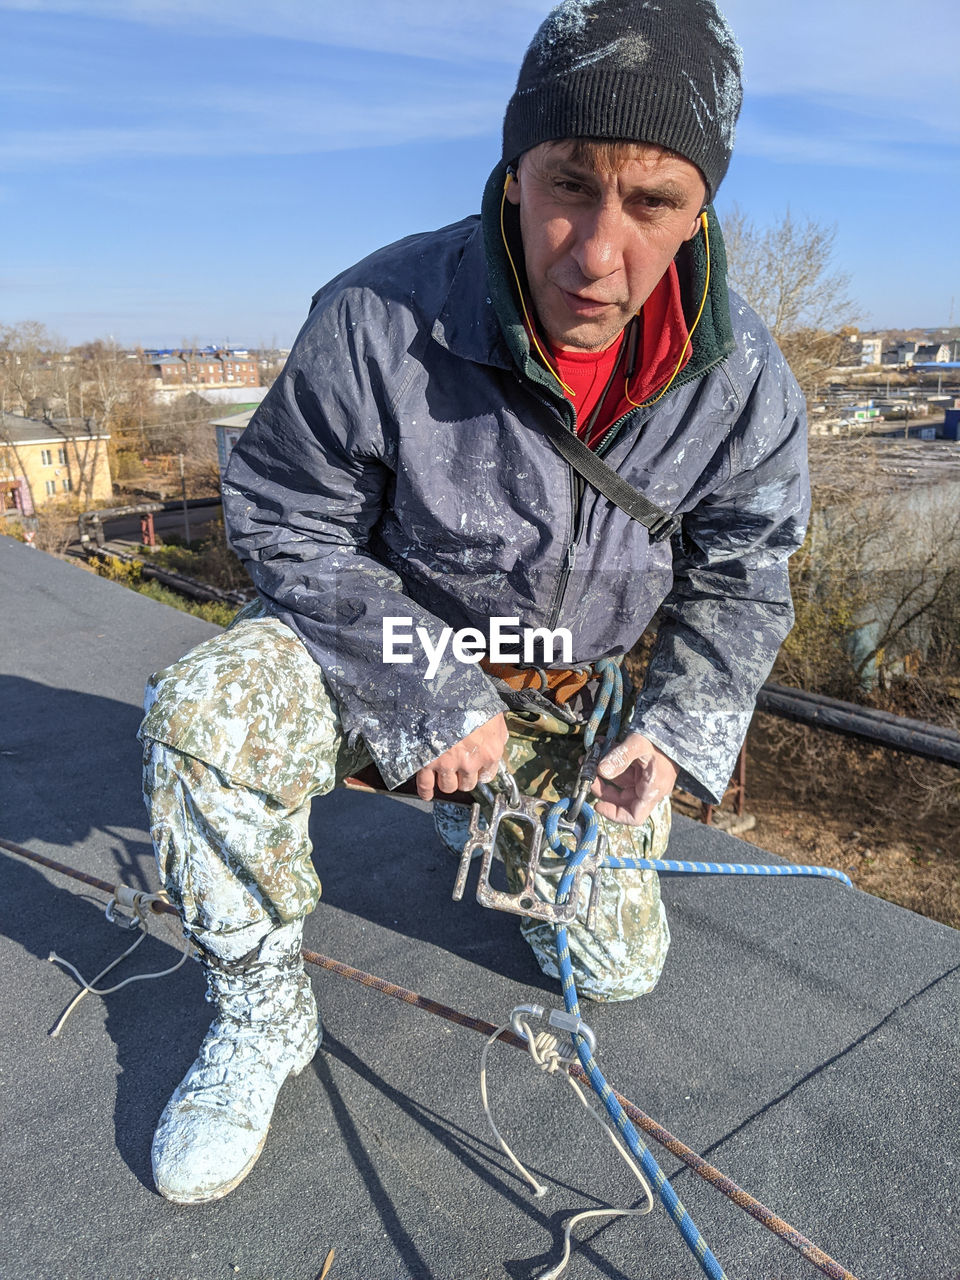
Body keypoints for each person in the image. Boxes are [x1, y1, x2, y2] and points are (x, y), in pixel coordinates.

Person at [139, 0, 809, 1205]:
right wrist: (426, 689)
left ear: (703, 208)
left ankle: (488, 817)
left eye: (653, 202)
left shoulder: (744, 382)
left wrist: (675, 729)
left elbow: (747, 567)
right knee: (204, 709)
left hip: (564, 700)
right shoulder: (378, 316)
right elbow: (285, 516)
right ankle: (259, 1010)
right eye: (570, 184)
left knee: (613, 972)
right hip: (380, 652)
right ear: (513, 173)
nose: (597, 251)